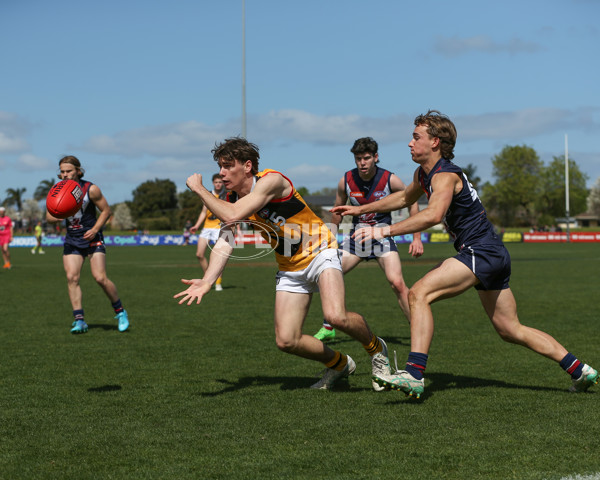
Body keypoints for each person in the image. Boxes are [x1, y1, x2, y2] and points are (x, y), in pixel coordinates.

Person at [333, 110, 598, 398]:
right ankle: (580, 370)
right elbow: (404, 198)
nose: (410, 143)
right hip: (492, 253)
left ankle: (414, 374)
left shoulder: (445, 175)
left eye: (416, 137)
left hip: (480, 251)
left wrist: (382, 231)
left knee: (418, 293)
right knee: (510, 329)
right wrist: (360, 209)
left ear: (435, 142)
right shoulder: (424, 173)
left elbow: (434, 214)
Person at [175, 137, 390, 391]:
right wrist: (208, 281)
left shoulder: (271, 181)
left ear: (246, 166)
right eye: (220, 167)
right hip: (290, 266)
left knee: (335, 316)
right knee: (287, 340)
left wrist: (200, 190)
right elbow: (225, 241)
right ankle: (339, 364)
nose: (221, 173)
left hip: (321, 250)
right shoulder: (233, 197)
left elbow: (231, 215)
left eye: (226, 166)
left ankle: (377, 350)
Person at [314, 137, 424, 342]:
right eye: (358, 159)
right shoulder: (346, 181)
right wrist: (329, 237)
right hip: (357, 240)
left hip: (382, 238)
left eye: (366, 158)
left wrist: (416, 237)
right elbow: (337, 211)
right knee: (328, 275)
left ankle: (417, 327)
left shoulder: (391, 180)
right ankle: (329, 326)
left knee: (397, 283)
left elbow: (412, 203)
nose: (362, 163)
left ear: (376, 157)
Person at [46, 155, 129, 334]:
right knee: (72, 278)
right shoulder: (56, 191)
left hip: (92, 237)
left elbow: (106, 211)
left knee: (100, 278)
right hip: (72, 239)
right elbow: (49, 218)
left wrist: (95, 229)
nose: (65, 174)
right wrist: (60, 209)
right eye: (62, 171)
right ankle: (79, 320)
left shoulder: (90, 189)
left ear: (78, 170)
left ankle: (120, 311)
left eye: (69, 171)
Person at [189, 174, 227, 291]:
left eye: (220, 182)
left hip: (219, 228)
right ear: (213, 183)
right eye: (216, 182)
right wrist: (196, 225)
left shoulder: (226, 196)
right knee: (199, 255)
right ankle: (208, 279)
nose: (218, 184)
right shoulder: (208, 195)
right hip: (206, 228)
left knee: (218, 256)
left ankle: (218, 282)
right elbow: (203, 212)